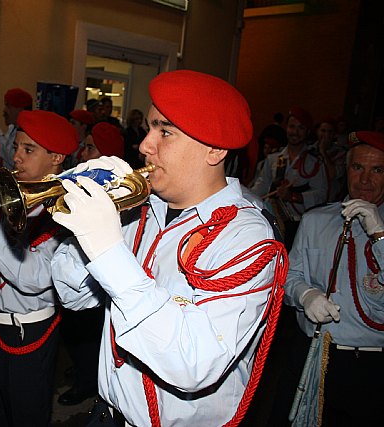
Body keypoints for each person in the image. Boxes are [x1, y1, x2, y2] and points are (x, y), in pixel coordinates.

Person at [51, 70, 287, 426]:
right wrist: (86, 215)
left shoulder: (247, 237)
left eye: (165, 132)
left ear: (215, 149)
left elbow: (193, 364)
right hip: (106, 414)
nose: (145, 145)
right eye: (148, 129)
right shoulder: (141, 209)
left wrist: (109, 252)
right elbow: (72, 294)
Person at [0, 110, 78, 426]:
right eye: (17, 147)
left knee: (25, 418)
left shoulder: (67, 208)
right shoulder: (12, 190)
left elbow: (34, 278)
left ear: (57, 157)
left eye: (28, 150)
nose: (15, 157)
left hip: (29, 331)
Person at [270, 131, 384, 426]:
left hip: (373, 366)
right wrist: (305, 295)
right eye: (358, 168)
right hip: (316, 355)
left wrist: (380, 235)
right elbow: (290, 277)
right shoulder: (316, 220)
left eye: (377, 170)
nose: (366, 179)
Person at [57, 120, 125, 407]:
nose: (83, 152)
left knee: (89, 337)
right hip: (78, 278)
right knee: (76, 333)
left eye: (90, 147)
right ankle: (84, 371)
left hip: (98, 279)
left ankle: (86, 383)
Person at [251, 106, 328, 250]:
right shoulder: (274, 158)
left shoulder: (314, 162)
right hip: (273, 221)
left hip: (300, 224)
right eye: (292, 127)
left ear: (307, 132)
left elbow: (321, 194)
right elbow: (261, 186)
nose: (295, 132)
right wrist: (245, 196)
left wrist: (293, 196)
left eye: (301, 128)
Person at [0, 87, 33, 168]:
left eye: (8, 106)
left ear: (20, 109)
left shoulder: (28, 133)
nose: (5, 110)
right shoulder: (12, 128)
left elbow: (12, 158)